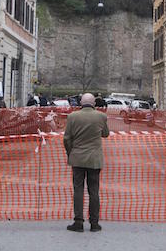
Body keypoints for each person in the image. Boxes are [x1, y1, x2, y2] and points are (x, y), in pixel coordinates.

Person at [63, 94, 110, 233]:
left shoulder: (72, 117)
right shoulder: (101, 117)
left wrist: (70, 152)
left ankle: (78, 222)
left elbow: (67, 138)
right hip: (94, 159)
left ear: (81, 103)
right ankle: (94, 223)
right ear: (94, 103)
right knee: (93, 190)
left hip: (77, 157)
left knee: (78, 190)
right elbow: (105, 134)